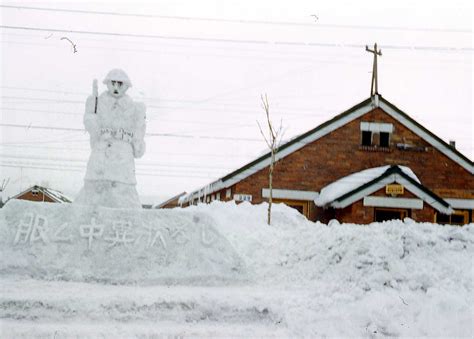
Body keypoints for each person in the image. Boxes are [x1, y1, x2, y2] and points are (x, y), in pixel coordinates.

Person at [75, 69, 146, 208]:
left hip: (123, 157)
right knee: (93, 191)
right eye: (113, 83)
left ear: (126, 86)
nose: (116, 87)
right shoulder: (96, 102)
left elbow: (138, 143)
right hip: (101, 155)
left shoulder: (136, 108)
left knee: (124, 194)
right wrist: (92, 117)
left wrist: (136, 141)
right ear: (107, 83)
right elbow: (90, 125)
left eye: (120, 83)